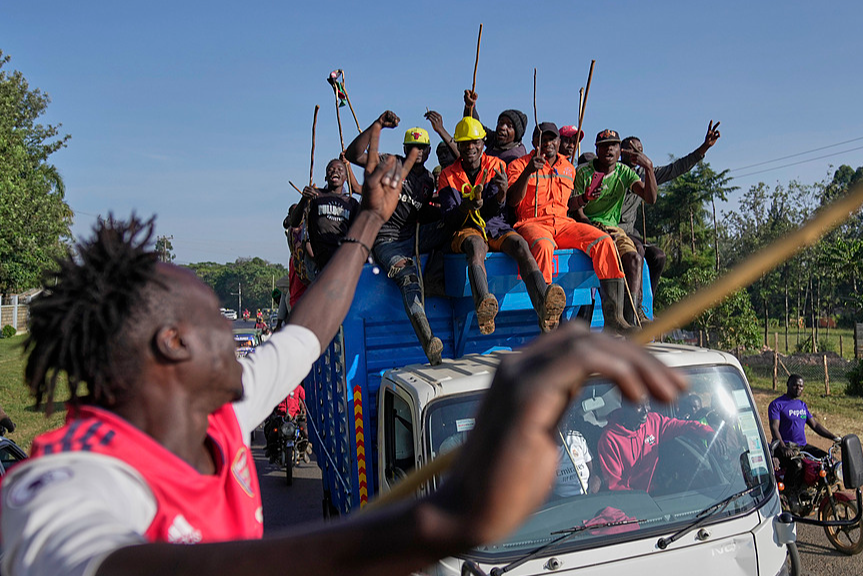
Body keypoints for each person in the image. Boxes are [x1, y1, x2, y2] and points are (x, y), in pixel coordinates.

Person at [1, 144, 690, 576]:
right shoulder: (64, 485)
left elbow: (305, 333)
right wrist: (445, 521)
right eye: (216, 316)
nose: (244, 333)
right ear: (171, 345)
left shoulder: (215, 410)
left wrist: (368, 219)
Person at [438, 116, 565, 334]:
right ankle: (483, 303)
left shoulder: (496, 166)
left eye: (475, 142)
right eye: (465, 143)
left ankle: (544, 301)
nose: (470, 147)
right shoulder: (447, 176)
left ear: (482, 144)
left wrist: (500, 197)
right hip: (466, 227)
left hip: (495, 224)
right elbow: (450, 219)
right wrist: (467, 206)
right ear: (458, 145)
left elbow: (497, 210)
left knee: (520, 245)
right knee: (476, 248)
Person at [506, 122, 632, 333]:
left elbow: (568, 204)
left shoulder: (568, 167)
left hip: (563, 223)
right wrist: (528, 171)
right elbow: (512, 201)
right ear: (534, 142)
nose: (548, 143)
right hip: (532, 223)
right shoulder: (519, 165)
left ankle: (614, 317)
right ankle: (548, 320)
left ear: (558, 142)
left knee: (604, 241)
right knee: (544, 246)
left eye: (552, 139)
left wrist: (583, 198)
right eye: (543, 139)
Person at [346, 111, 448, 365]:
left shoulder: (426, 181)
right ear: (405, 148)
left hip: (412, 236)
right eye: (413, 147)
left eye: (422, 148)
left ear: (428, 151)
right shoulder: (390, 163)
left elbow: (421, 211)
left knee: (453, 223)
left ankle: (435, 279)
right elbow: (353, 155)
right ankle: (428, 340)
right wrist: (377, 124)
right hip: (386, 240)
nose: (418, 152)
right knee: (408, 279)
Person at [617, 122, 721, 299]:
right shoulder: (614, 173)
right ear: (621, 152)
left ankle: (647, 304)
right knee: (639, 250)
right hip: (614, 230)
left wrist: (704, 147)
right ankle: (632, 306)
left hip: (630, 232)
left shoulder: (644, 175)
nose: (636, 153)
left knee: (658, 256)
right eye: (631, 149)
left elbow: (676, 169)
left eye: (639, 150)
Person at [570, 129, 658, 326]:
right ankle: (613, 319)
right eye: (604, 145)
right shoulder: (583, 172)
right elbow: (576, 212)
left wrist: (649, 168)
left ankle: (632, 319)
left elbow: (650, 198)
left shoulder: (624, 172)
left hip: (613, 229)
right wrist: (592, 224)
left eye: (614, 145)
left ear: (620, 151)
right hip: (587, 228)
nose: (609, 149)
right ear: (597, 149)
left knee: (634, 258)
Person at [597, 399, 714, 492]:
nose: (646, 410)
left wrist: (709, 433)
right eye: (639, 406)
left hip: (655, 493)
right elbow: (615, 486)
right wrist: (642, 501)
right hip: (630, 502)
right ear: (625, 407)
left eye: (647, 404)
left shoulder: (654, 421)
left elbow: (685, 425)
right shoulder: (609, 439)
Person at [304, 159, 361, 274]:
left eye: (340, 170)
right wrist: (303, 200)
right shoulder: (315, 195)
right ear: (326, 177)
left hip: (342, 258)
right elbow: (295, 222)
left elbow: (357, 233)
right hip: (322, 257)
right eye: (331, 169)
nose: (335, 171)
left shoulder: (351, 203)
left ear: (345, 178)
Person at [462, 90, 529, 164]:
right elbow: (475, 127)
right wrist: (470, 106)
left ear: (517, 134)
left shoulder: (516, 157)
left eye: (509, 126)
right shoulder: (495, 140)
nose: (502, 127)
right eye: (501, 123)